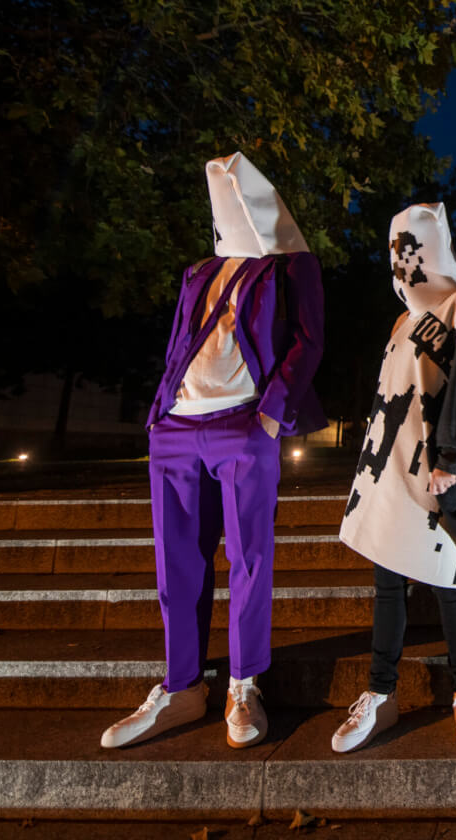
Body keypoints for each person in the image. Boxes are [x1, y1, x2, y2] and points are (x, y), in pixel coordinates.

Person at [102, 152, 325, 750]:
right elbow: (180, 340)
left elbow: (309, 338)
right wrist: (157, 414)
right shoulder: (199, 271)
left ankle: (244, 684)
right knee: (177, 565)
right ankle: (182, 687)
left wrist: (273, 415)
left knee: (249, 560)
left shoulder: (288, 266)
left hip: (245, 425)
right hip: (175, 427)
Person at [332, 203, 456, 753]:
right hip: (392, 468)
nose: (405, 262)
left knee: (449, 580)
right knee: (388, 583)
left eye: (414, 248)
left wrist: (453, 458)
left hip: (435, 470)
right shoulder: (402, 319)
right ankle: (380, 693)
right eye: (396, 250)